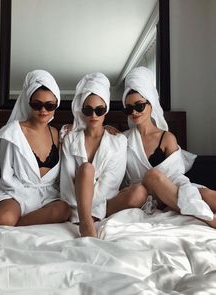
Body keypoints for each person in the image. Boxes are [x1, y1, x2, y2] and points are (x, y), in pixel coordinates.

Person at [120, 66, 216, 227]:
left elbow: (177, 177)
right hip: (145, 194)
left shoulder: (166, 138)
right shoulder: (122, 139)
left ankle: (191, 206)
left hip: (172, 190)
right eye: (129, 109)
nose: (134, 112)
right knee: (152, 176)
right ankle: (208, 218)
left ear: (151, 105)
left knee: (205, 193)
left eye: (139, 106)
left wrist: (184, 194)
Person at [0, 70, 70, 226]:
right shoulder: (11, 134)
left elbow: (90, 131)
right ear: (28, 103)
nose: (43, 110)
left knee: (64, 209)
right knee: (4, 218)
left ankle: (19, 223)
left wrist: (108, 128)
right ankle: (2, 216)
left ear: (56, 105)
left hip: (48, 196)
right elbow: (7, 176)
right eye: (37, 105)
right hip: (17, 193)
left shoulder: (57, 133)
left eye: (50, 105)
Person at [59, 72, 128, 237]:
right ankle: (86, 224)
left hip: (104, 203)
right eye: (88, 110)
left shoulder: (118, 141)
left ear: (106, 110)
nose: (94, 115)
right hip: (74, 205)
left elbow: (111, 184)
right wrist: (79, 210)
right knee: (86, 169)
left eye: (99, 110)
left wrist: (89, 207)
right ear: (82, 110)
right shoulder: (70, 138)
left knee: (139, 192)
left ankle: (86, 218)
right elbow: (66, 182)